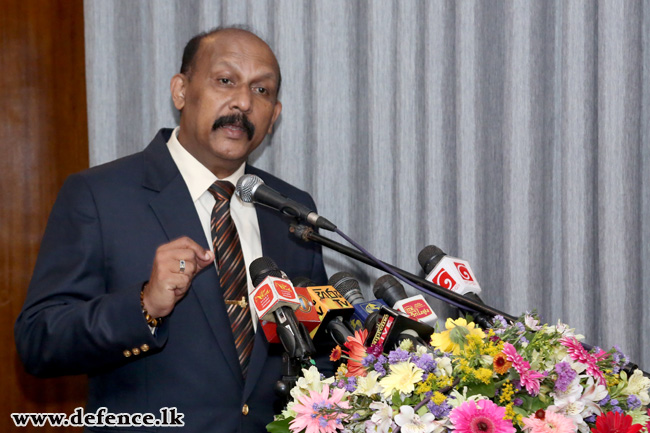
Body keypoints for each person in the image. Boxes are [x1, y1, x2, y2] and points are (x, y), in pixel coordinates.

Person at [15, 27, 328, 432]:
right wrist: (144, 306)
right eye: (225, 81)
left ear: (275, 115)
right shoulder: (99, 195)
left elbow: (316, 354)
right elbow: (40, 341)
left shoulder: (289, 208)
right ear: (181, 91)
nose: (243, 102)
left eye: (262, 91)